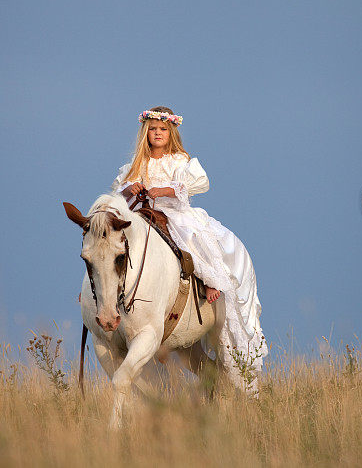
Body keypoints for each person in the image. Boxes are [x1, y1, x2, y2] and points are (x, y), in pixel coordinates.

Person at [110, 106, 268, 390]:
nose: (157, 134)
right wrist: (129, 190)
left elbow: (198, 184)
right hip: (143, 216)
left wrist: (165, 190)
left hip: (174, 215)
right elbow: (118, 190)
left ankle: (209, 282)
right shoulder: (136, 164)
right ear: (145, 133)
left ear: (171, 134)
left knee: (190, 240)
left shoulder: (179, 160)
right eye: (153, 130)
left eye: (162, 130)